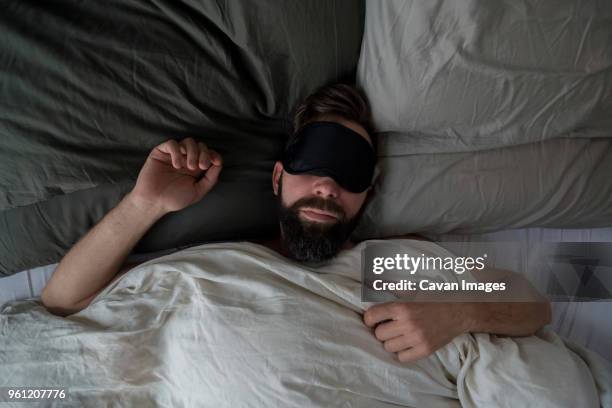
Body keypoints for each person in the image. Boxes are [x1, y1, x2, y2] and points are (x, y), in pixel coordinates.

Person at [41, 84, 551, 363]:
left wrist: (461, 312)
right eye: (314, 167)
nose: (328, 187)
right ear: (279, 176)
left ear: (367, 194)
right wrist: (144, 204)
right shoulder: (216, 260)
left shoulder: (385, 261)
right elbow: (63, 302)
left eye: (349, 173)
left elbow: (535, 306)